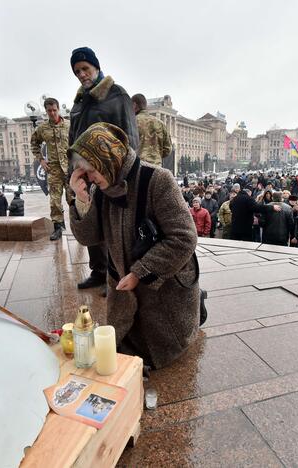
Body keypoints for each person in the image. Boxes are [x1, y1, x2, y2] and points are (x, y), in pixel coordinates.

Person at [68, 122, 200, 369]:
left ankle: (195, 313)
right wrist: (81, 200)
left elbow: (184, 238)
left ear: (109, 158)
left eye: (91, 170)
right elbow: (87, 237)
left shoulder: (158, 180)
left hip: (164, 291)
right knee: (121, 346)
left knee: (158, 349)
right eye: (85, 172)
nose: (89, 177)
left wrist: (140, 272)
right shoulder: (101, 188)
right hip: (123, 288)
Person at [68, 46, 139, 291]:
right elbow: (73, 137)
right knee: (90, 221)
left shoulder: (116, 94)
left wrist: (125, 175)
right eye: (77, 71)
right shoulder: (79, 101)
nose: (82, 74)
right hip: (84, 172)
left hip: (109, 174)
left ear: (96, 67)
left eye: (85, 69)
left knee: (111, 226)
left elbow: (130, 136)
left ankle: (114, 275)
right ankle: (98, 271)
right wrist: (72, 170)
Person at [31, 97, 73, 241]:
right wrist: (41, 160)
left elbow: (78, 142)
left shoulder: (69, 125)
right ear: (46, 111)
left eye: (55, 110)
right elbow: (34, 144)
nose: (53, 113)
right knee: (55, 201)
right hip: (53, 169)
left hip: (70, 168)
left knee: (72, 198)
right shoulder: (42, 129)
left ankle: (78, 226)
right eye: (49, 111)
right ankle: (58, 228)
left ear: (58, 109)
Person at [131, 93, 172, 166]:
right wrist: (155, 156)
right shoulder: (161, 124)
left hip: (137, 168)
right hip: (156, 169)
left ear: (134, 105)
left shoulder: (131, 122)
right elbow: (168, 149)